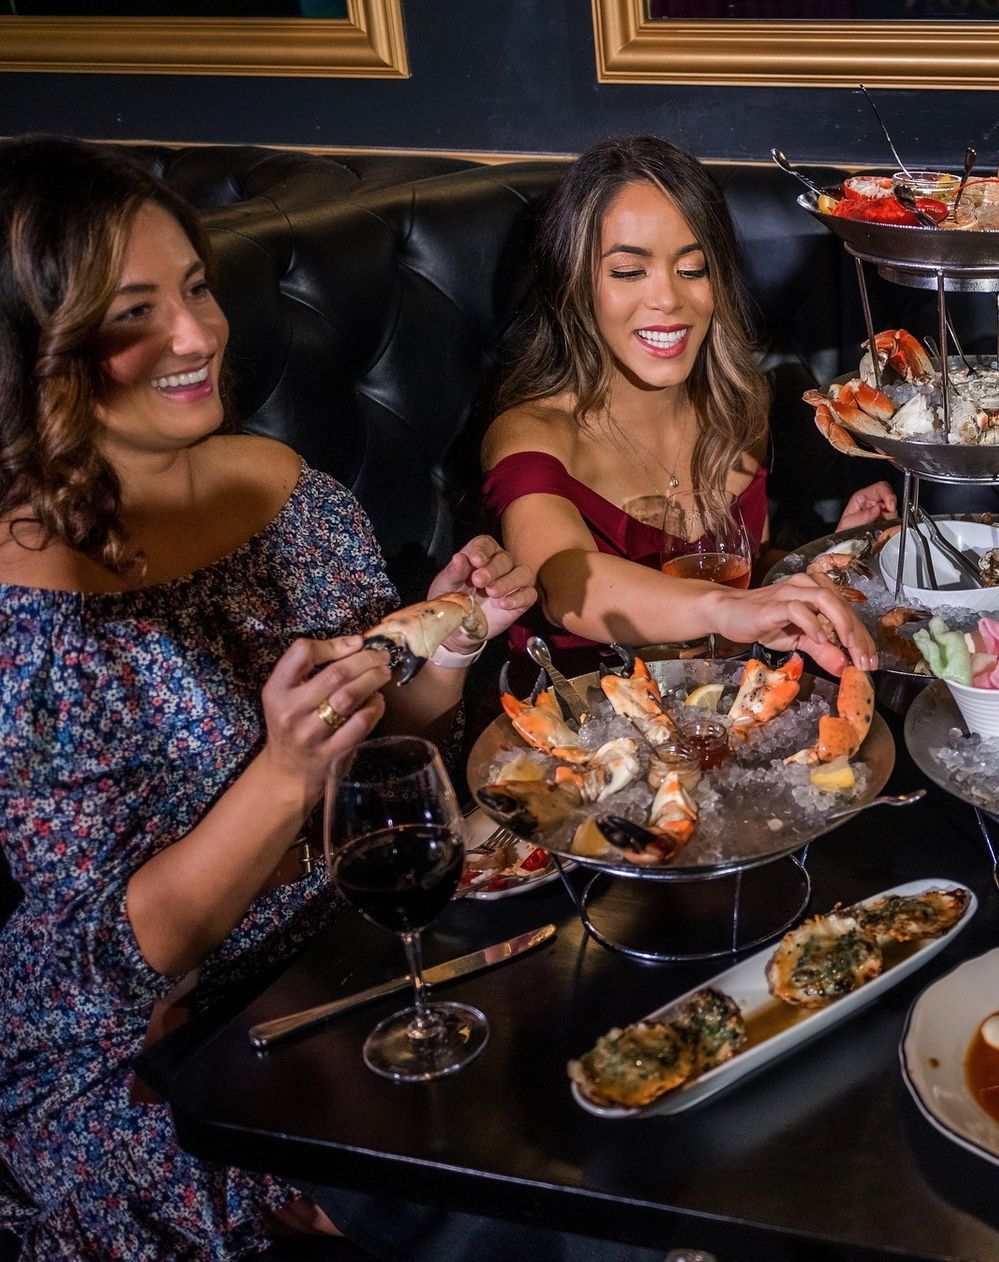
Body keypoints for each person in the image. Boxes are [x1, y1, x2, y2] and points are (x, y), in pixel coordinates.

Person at [0, 137, 538, 1259]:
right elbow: (122, 953)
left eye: (195, 289)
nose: (198, 335)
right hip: (147, 1051)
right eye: (133, 314)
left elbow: (383, 756)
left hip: (340, 954)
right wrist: (285, 770)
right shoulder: (27, 603)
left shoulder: (284, 488)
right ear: (40, 353)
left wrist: (441, 653)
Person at [482, 135, 889, 675]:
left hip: (723, 716)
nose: (669, 299)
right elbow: (563, 584)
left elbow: (740, 573)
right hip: (580, 729)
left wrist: (832, 555)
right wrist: (726, 609)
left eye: (693, 269)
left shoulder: (738, 410)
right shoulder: (532, 432)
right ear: (576, 284)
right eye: (629, 272)